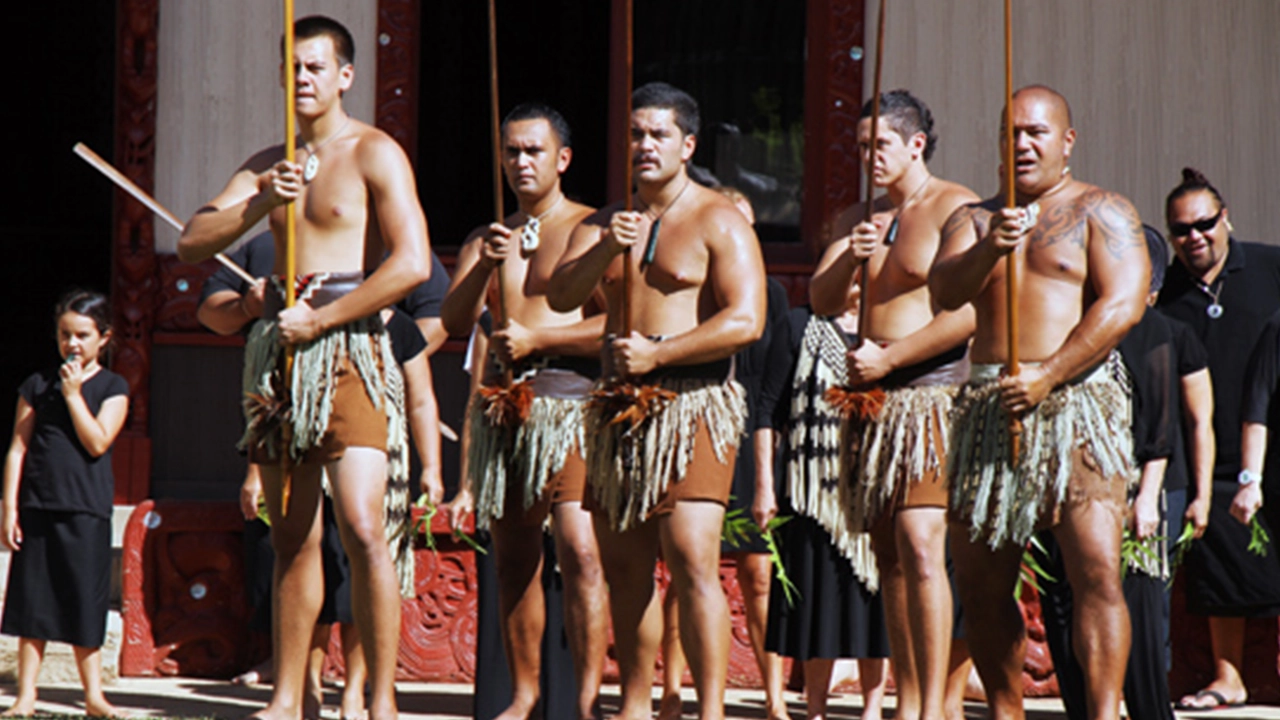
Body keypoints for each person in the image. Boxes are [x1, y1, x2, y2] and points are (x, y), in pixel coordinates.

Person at [177, 16, 431, 720]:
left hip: (350, 349)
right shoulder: (267, 163)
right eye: (292, 67)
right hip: (281, 357)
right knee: (292, 534)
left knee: (364, 525)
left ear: (346, 76)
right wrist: (263, 200)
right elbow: (193, 241)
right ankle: (290, 697)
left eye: (316, 66)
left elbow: (412, 262)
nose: (303, 79)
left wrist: (323, 318)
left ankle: (380, 699)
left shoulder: (375, 152)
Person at [929, 85, 1148, 720]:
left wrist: (1050, 374)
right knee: (980, 582)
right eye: (1011, 133)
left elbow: (1124, 304)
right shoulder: (972, 219)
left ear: (1066, 141)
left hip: (1077, 402)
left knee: (1097, 571)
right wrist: (989, 248)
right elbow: (944, 293)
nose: (1022, 144)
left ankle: (1102, 713)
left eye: (1036, 132)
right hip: (989, 405)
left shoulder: (1101, 210)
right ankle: (1006, 710)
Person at [548, 81, 766, 720]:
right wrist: (607, 249)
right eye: (636, 134)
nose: (645, 145)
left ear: (687, 145)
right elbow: (560, 296)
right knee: (625, 568)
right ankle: (636, 705)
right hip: (618, 408)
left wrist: (660, 353)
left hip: (693, 402)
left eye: (659, 134)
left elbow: (746, 319)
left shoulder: (717, 219)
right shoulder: (604, 222)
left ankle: (710, 710)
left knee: (693, 558)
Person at [808, 89, 978, 720]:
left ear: (915, 144)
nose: (868, 156)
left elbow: (968, 311)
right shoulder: (859, 216)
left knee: (920, 541)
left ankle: (933, 706)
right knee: (888, 554)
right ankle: (908, 703)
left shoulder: (954, 207)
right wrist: (849, 257)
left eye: (879, 144)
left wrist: (893, 357)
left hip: (929, 392)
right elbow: (823, 300)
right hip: (870, 402)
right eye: (861, 146)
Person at [440, 102, 605, 720]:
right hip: (506, 409)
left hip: (572, 402)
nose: (521, 162)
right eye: (511, 151)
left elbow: (621, 325)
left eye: (534, 150)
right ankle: (524, 693)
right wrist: (485, 263)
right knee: (512, 558)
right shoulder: (487, 238)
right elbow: (454, 320)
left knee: (580, 548)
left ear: (563, 159)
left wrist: (543, 339)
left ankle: (587, 700)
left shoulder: (591, 228)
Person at [1038, 225, 1211, 720]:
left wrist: (1148, 498)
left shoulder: (1150, 327)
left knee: (1134, 605)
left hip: (1135, 489)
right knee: (1063, 602)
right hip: (1069, 484)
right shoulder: (1064, 323)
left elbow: (1161, 424)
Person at [658, 186, 789, 720]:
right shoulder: (689, 286)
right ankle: (671, 692)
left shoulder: (768, 294)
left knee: (758, 572)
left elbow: (770, 388)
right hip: (694, 423)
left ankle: (774, 696)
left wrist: (766, 477)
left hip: (748, 433)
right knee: (686, 563)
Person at [1156, 167, 1280, 711]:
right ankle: (1229, 677)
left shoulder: (1269, 266)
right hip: (1207, 455)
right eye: (1181, 230)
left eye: (1205, 223)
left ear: (1225, 217)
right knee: (1219, 560)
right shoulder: (1165, 293)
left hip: (1271, 440)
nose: (1195, 237)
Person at [1, 290, 129, 718]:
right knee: (32, 604)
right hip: (39, 505)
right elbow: (17, 448)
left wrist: (74, 395)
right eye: (64, 334)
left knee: (84, 601)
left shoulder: (114, 387)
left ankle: (93, 696)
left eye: (82, 335)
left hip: (85, 508)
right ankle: (26, 695)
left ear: (104, 338)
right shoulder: (37, 385)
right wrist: (10, 508)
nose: (72, 343)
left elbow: (98, 442)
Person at [765, 298, 891, 720]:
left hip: (876, 481)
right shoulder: (800, 324)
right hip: (813, 487)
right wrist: (765, 485)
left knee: (875, 603)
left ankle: (872, 710)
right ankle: (815, 708)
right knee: (818, 604)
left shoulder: (893, 319)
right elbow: (769, 409)